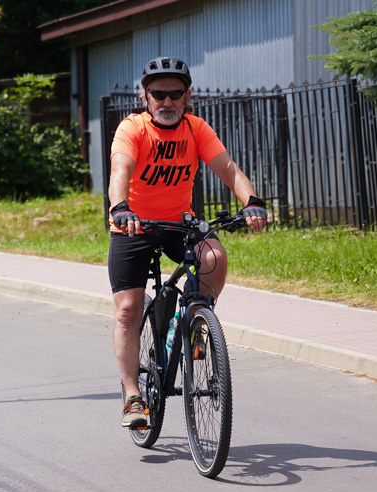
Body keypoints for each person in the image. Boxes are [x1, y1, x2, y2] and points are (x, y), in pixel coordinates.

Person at [107, 57, 267, 428]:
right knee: (128, 311)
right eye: (158, 94)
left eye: (175, 94)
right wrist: (120, 207)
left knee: (214, 256)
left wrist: (252, 202)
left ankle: (197, 318)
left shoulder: (195, 129)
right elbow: (120, 170)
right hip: (133, 225)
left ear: (187, 95)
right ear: (145, 97)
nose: (167, 101)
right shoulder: (132, 129)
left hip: (179, 223)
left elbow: (228, 169)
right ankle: (133, 395)